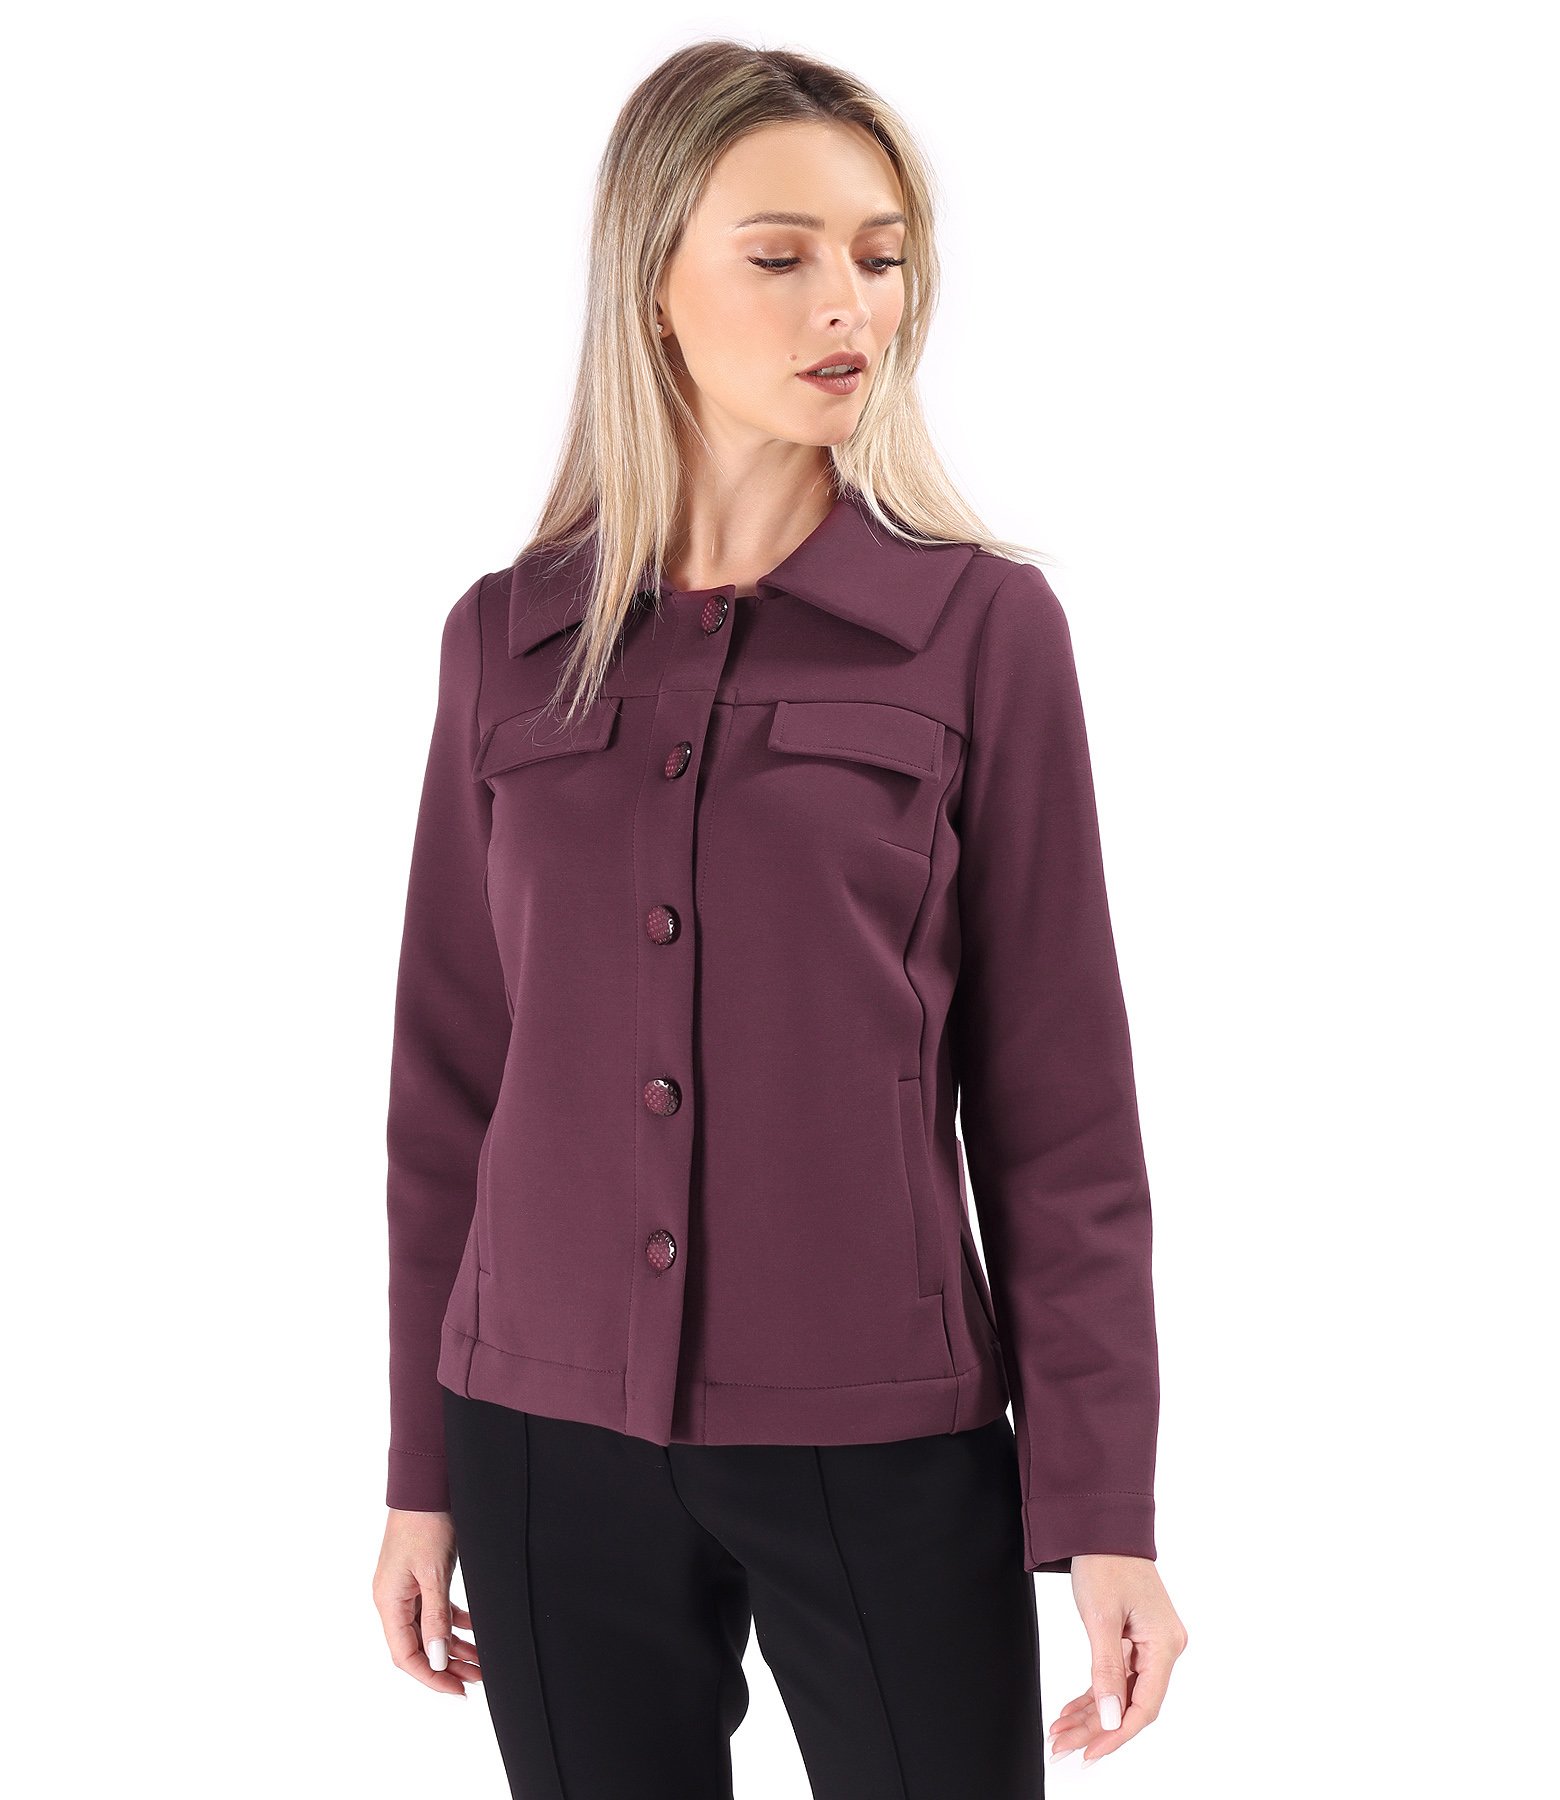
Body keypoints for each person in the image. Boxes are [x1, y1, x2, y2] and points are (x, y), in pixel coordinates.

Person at [370, 38, 1187, 1799]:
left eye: (880, 257)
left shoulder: (981, 633)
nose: (848, 304)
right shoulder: (503, 640)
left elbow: (1058, 1109)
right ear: (651, 281)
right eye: (781, 253)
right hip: (540, 1436)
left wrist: (1103, 1508)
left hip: (881, 1431)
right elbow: (450, 1084)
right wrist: (420, 1470)